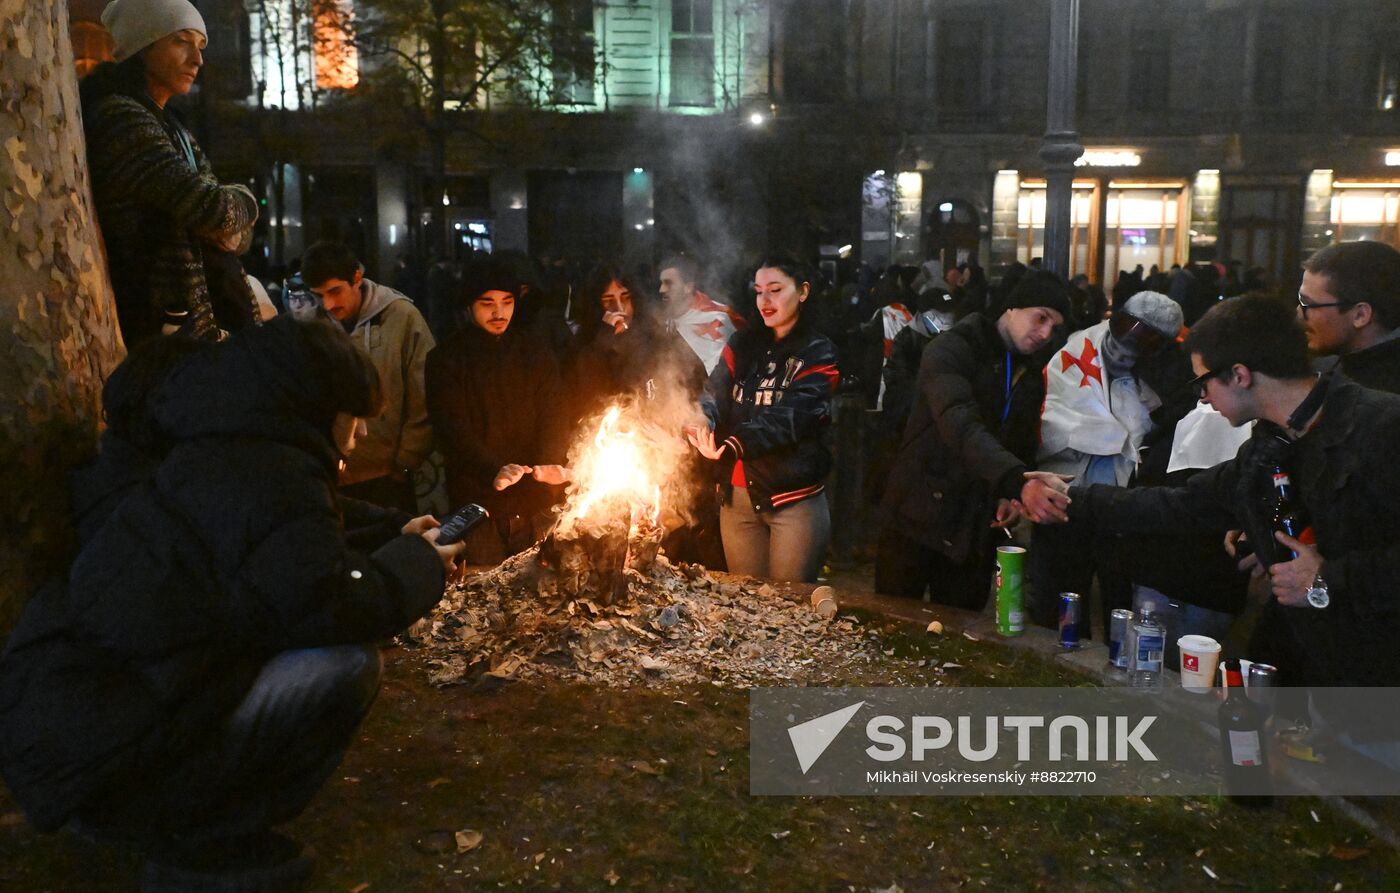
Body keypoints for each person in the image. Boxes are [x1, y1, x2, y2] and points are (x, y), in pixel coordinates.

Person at [0, 317, 463, 891]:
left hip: (78, 744)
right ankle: (199, 841)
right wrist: (420, 563)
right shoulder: (267, 476)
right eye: (356, 417)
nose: (361, 435)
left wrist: (395, 539)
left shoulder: (229, 456)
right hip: (106, 765)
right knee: (345, 666)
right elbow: (329, 600)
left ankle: (189, 823)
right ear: (319, 406)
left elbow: (294, 551)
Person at [1027, 295, 1400, 763]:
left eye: (1205, 382)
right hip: (1324, 678)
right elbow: (1186, 502)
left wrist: (1327, 578)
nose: (1202, 396)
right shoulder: (1275, 441)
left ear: (1239, 375)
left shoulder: (1382, 427)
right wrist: (1071, 499)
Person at [876, 271, 1072, 607]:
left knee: (960, 636)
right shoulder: (951, 348)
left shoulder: (1030, 372)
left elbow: (1021, 443)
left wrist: (1010, 499)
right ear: (1012, 308)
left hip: (973, 525)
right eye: (1040, 317)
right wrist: (1016, 481)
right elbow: (958, 423)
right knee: (893, 624)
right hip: (916, 512)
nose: (1045, 333)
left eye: (1054, 326)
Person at [81, 0, 260, 346]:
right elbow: (217, 212)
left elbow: (232, 230)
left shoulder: (171, 127)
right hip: (164, 334)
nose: (197, 59)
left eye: (201, 46)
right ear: (142, 45)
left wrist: (228, 218)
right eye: (181, 41)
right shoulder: (123, 120)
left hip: (195, 332)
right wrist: (247, 201)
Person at [1027, 291, 1186, 634]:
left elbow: (1171, 421)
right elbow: (1051, 411)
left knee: (1122, 599)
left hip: (1125, 504)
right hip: (1066, 491)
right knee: (1058, 595)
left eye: (1145, 335)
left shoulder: (1169, 371)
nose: (1128, 340)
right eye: (1127, 326)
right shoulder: (1075, 349)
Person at [686, 254, 840, 583]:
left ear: (803, 291)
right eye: (758, 291)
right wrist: (703, 419)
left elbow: (793, 417)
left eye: (775, 289)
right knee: (748, 606)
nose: (765, 301)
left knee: (788, 608)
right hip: (736, 500)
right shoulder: (742, 343)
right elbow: (715, 391)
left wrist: (733, 444)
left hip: (791, 498)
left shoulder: (818, 351)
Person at [425, 261, 571, 565]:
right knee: (484, 594)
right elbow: (451, 431)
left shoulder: (536, 352)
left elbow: (555, 413)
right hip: (477, 504)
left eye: (507, 302)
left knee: (543, 589)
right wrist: (493, 468)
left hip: (535, 500)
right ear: (469, 305)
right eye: (487, 303)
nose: (499, 312)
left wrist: (550, 461)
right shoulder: (446, 359)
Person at [304, 240, 435, 514]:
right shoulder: (311, 324)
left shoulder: (401, 317)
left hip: (389, 474)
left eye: (335, 291)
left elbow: (424, 391)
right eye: (318, 295)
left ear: (356, 278)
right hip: (334, 475)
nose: (328, 304)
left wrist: (406, 461)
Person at [1297, 240, 1400, 392]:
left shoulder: (1382, 401)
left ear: (1360, 315)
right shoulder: (1331, 366)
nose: (1299, 313)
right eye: (1300, 300)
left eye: (1309, 304)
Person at [658, 254, 746, 374]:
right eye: (661, 283)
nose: (661, 289)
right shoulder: (664, 320)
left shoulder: (716, 319)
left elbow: (731, 374)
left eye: (669, 283)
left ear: (688, 287)